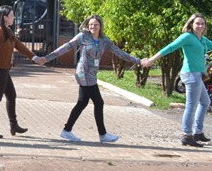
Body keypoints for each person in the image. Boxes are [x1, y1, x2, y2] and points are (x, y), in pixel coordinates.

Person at [141, 13, 212, 147]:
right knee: (191, 106)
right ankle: (187, 135)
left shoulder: (202, 39)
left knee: (205, 102)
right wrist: (152, 60)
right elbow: (170, 47)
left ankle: (198, 132)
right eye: (197, 23)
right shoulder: (187, 37)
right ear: (191, 24)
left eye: (202, 24)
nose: (200, 26)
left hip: (197, 75)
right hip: (190, 74)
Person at [36, 15, 139, 143]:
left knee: (82, 102)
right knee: (99, 102)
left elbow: (120, 53)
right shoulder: (83, 36)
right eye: (91, 24)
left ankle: (67, 130)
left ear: (100, 26)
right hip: (83, 73)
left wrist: (138, 61)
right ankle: (102, 134)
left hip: (92, 74)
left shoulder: (104, 40)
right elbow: (66, 47)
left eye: (95, 24)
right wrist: (47, 58)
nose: (92, 27)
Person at [0, 5, 42, 139]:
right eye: (12, 15)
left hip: (3, 69)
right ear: (5, 17)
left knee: (11, 95)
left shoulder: (7, 30)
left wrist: (35, 58)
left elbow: (19, 45)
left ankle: (13, 125)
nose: (14, 18)